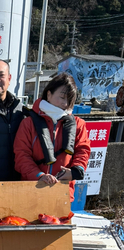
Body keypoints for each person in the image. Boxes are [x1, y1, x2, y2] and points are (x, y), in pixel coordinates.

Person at [14, 72, 91, 201]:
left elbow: (83, 151)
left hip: (62, 192)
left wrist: (74, 171)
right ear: (48, 94)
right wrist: (39, 175)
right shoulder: (28, 123)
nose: (65, 104)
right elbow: (21, 155)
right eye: (62, 97)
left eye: (70, 99)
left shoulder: (79, 124)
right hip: (31, 190)